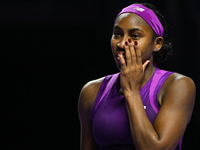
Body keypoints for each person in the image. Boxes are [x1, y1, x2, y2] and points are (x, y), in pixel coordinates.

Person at [78, 3, 196, 150]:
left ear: (157, 44)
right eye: (117, 34)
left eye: (135, 36)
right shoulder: (91, 91)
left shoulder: (177, 86)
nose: (122, 44)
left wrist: (131, 91)